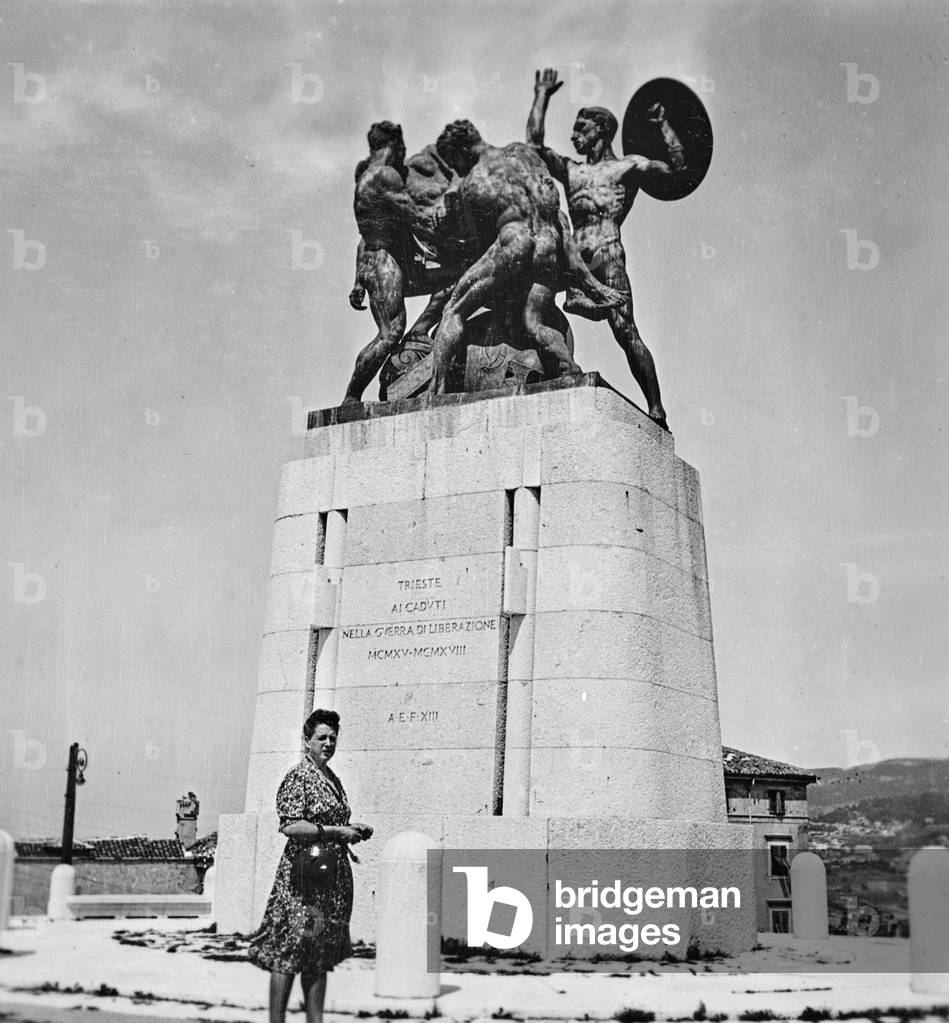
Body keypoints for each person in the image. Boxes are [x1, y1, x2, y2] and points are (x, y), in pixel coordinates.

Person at [527, 68, 687, 430]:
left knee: (626, 330)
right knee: (532, 303)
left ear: (602, 129)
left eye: (580, 129)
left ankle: (656, 408)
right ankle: (557, 352)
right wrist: (542, 95)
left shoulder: (628, 167)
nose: (573, 136)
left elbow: (678, 168)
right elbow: (535, 148)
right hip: (570, 257)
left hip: (607, 253)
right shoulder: (571, 170)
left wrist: (663, 124)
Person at [248, 709, 372, 1023]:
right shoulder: (298, 776)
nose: (328, 743)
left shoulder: (331, 778)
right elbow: (290, 825)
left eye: (333, 738)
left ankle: (314, 1020)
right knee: (291, 948)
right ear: (307, 740)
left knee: (318, 951)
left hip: (329, 877)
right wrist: (334, 832)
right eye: (322, 737)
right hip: (303, 878)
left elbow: (329, 820)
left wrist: (351, 829)